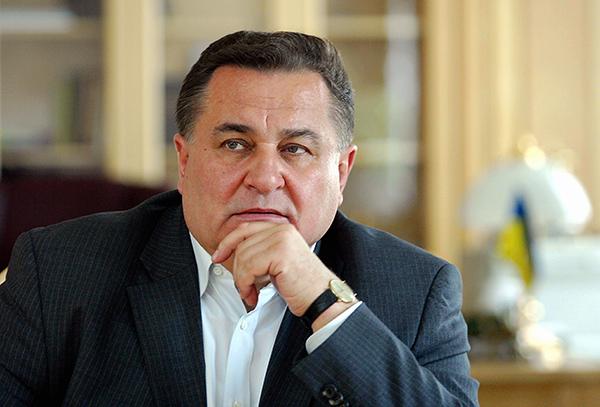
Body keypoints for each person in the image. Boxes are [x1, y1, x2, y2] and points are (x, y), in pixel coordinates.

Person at [0, 31, 479, 406]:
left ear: (341, 172)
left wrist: (325, 304)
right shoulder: (58, 271)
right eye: (235, 144)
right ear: (184, 160)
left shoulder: (416, 291)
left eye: (296, 149)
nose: (265, 178)